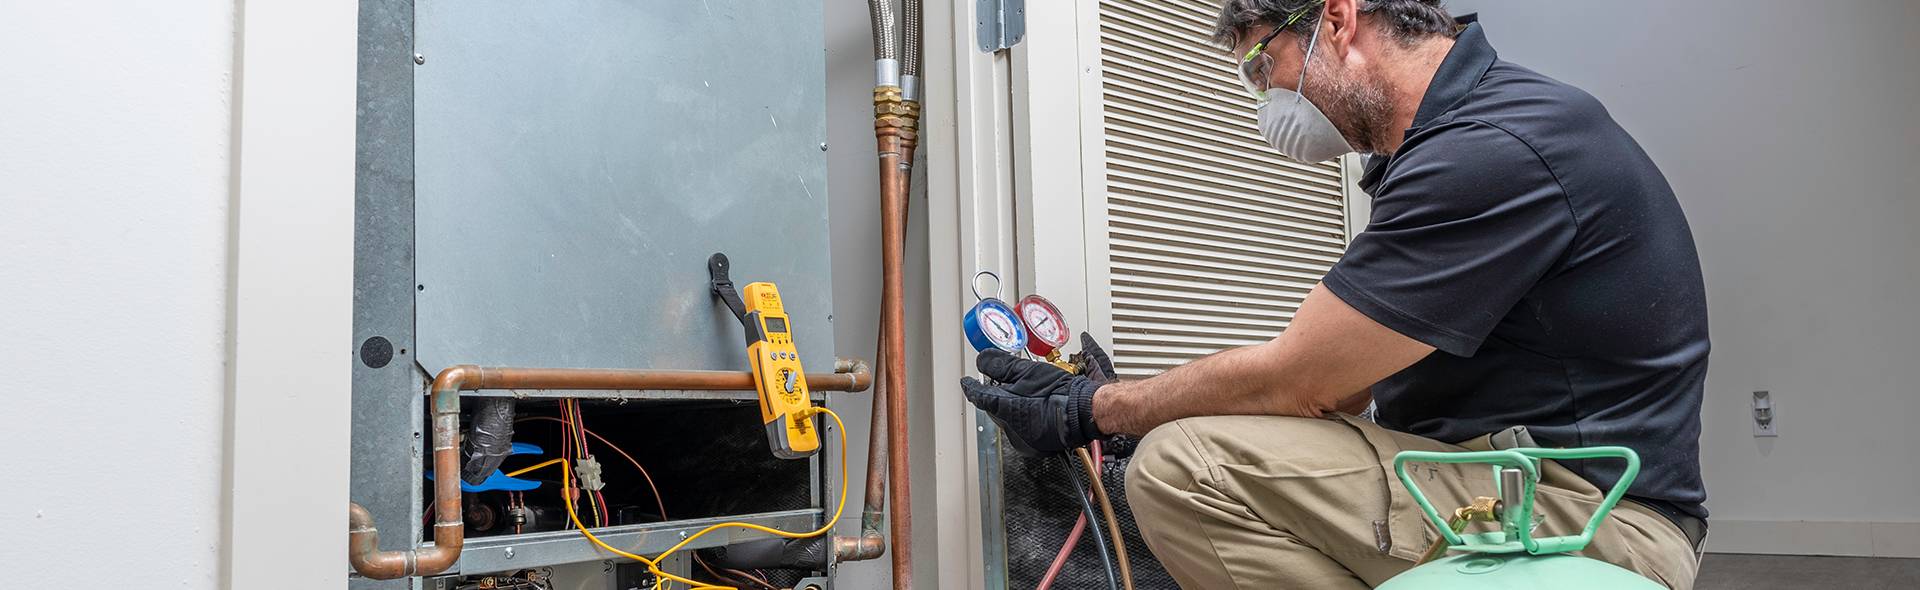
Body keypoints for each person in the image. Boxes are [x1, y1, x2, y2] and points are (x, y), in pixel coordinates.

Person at [959, 0, 1709, 587]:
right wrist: (1126, 409)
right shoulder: (1456, 142)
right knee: (1200, 447)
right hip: (1521, 485)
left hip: (1595, 522)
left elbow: (1302, 382)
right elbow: (1344, 390)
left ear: (1337, 18)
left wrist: (1091, 409)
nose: (1264, 102)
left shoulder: (1492, 150)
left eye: (1263, 64)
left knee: (1184, 469)